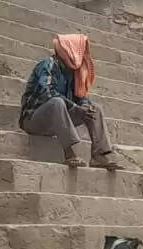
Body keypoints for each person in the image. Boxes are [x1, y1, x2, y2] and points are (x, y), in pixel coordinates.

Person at [19, 34, 123, 171]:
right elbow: (47, 93)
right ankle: (69, 152)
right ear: (70, 49)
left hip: (57, 120)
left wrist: (85, 106)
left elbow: (80, 96)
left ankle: (100, 155)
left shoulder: (75, 73)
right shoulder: (48, 65)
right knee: (56, 102)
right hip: (33, 120)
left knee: (95, 109)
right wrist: (74, 107)